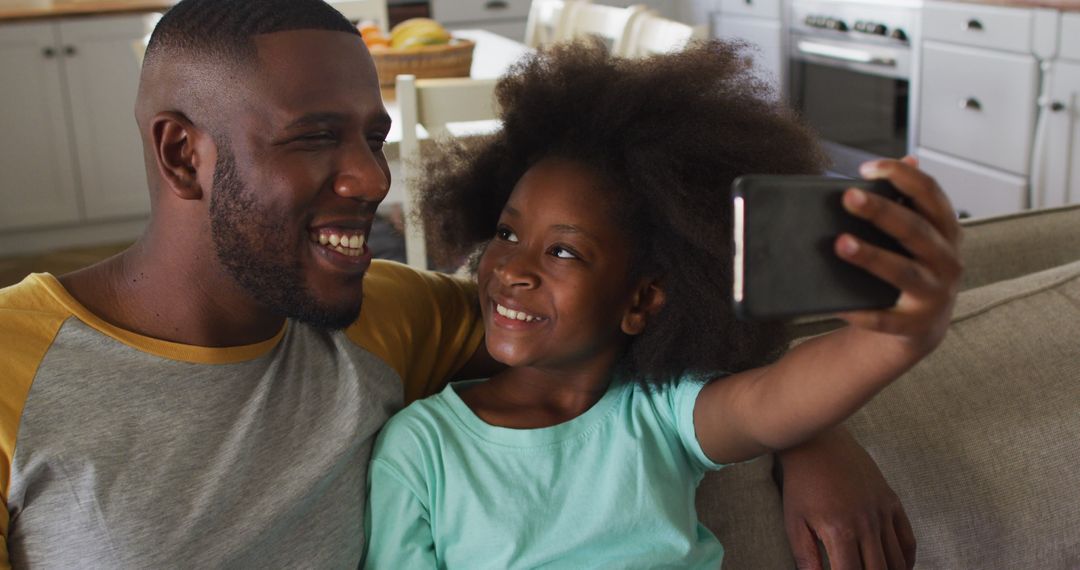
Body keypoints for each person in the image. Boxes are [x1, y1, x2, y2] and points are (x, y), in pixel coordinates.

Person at [0, 1, 917, 567]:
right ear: (181, 152)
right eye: (316, 135)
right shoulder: (13, 368)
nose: (371, 179)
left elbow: (632, 329)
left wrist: (816, 433)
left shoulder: (383, 315)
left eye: (372, 135)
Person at [363, 40, 961, 569]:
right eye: (507, 233)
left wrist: (900, 336)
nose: (513, 270)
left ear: (643, 299)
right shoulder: (422, 448)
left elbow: (773, 402)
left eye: (565, 251)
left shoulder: (657, 414)